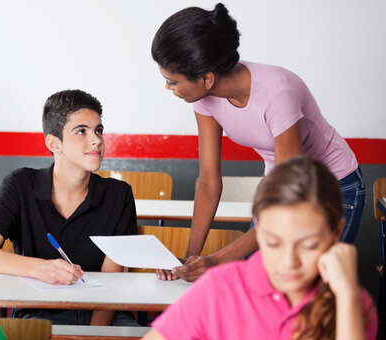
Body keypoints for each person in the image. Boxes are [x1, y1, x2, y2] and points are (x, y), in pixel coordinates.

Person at [109, 156, 377, 340]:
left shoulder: (352, 302)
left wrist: (347, 298)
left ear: (336, 233)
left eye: (307, 245)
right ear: (257, 231)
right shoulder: (222, 287)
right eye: (273, 243)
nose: (288, 261)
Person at [151, 3, 365, 282]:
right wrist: (191, 259)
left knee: (310, 289)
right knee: (259, 287)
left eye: (172, 81)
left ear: (206, 78)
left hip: (334, 186)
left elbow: (288, 201)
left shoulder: (277, 95)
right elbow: (208, 182)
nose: (168, 88)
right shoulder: (204, 98)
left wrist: (215, 260)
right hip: (280, 188)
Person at [0, 89, 139, 340]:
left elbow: (111, 279)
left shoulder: (119, 195)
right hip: (39, 313)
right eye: (82, 131)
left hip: (103, 315)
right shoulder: (20, 184)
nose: (96, 140)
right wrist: (40, 269)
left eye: (99, 130)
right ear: (54, 144)